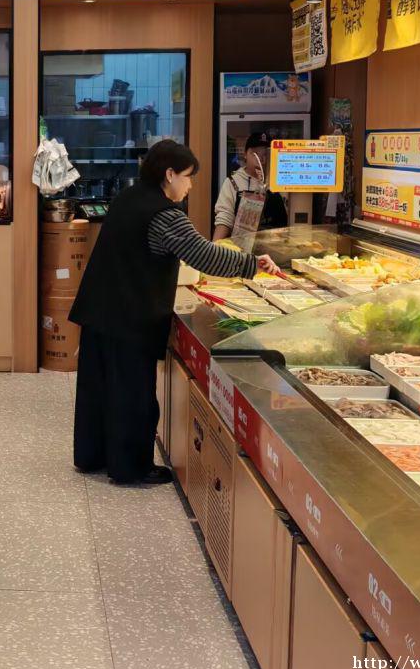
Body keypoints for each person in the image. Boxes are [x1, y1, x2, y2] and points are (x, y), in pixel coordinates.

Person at [69, 139, 281, 485]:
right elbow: (204, 255)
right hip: (129, 316)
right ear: (169, 174)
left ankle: (92, 456)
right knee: (133, 395)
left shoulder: (128, 198)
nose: (190, 185)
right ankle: (130, 468)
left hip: (99, 309)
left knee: (99, 388)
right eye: (188, 176)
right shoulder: (164, 214)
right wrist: (252, 264)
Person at [212, 132, 289, 242]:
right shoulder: (233, 182)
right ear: (245, 154)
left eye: (266, 154)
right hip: (242, 247)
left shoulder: (282, 180)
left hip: (275, 245)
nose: (261, 158)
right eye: (255, 153)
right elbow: (225, 218)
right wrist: (215, 245)